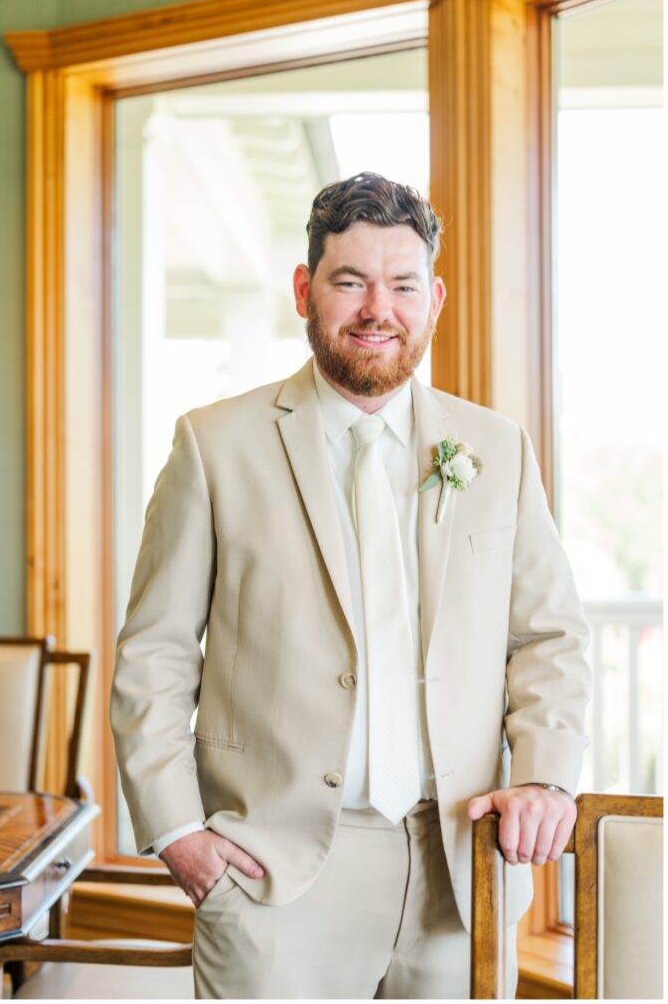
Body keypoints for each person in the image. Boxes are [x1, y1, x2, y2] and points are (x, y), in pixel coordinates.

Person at [111, 172, 590, 999]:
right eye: (350, 282)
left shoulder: (496, 448)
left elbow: (548, 637)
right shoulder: (213, 446)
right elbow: (154, 651)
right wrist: (179, 831)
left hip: (459, 863)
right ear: (305, 290)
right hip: (273, 871)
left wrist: (546, 776)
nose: (378, 309)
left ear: (433, 297)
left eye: (402, 285)